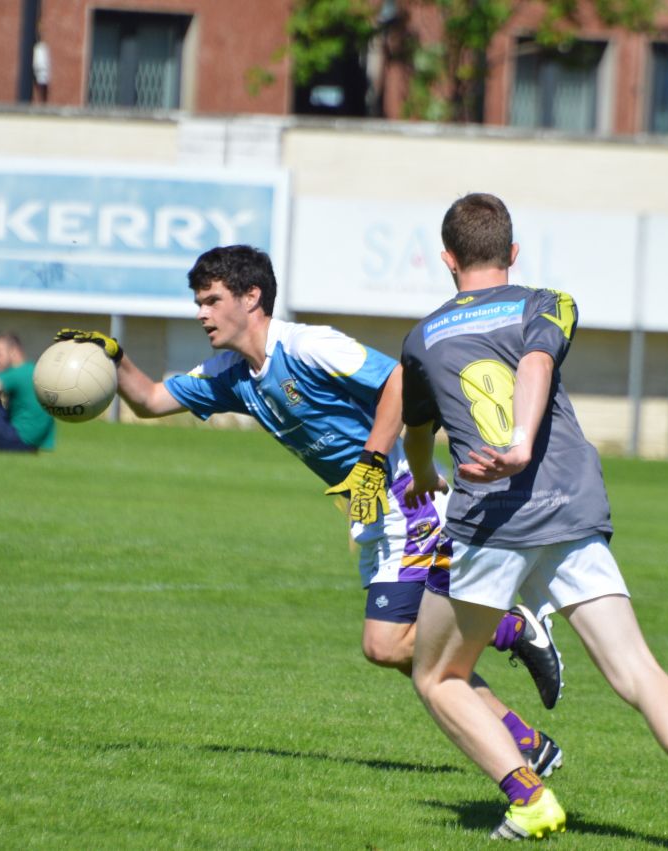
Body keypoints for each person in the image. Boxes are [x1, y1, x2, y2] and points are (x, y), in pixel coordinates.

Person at [55, 244, 566, 778]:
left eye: (211, 300)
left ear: (251, 297)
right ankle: (525, 740)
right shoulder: (231, 374)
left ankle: (509, 628)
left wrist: (373, 459)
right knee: (414, 655)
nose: (201, 313)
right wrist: (114, 358)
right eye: (199, 302)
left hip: (405, 501)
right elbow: (153, 400)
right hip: (372, 516)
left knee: (387, 643)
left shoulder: (308, 346)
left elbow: (403, 380)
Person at [399, 193, 668, 847]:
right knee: (639, 669)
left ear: (446, 259)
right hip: (572, 509)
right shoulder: (547, 301)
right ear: (512, 253)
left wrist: (433, 473)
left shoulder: (422, 337)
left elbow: (416, 432)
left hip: (492, 523)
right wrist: (527, 438)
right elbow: (537, 358)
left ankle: (530, 799)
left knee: (437, 674)